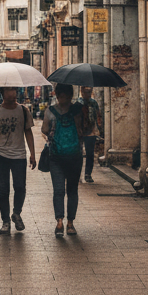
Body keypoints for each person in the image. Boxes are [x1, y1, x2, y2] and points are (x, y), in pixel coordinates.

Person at [0, 87, 36, 234]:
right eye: (9, 90)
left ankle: (16, 213)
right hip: (0, 155)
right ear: (3, 93)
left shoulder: (23, 111)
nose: (12, 93)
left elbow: (28, 132)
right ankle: (5, 221)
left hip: (19, 155)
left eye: (14, 90)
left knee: (20, 187)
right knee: (3, 189)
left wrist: (33, 154)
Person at [41, 83, 91, 237]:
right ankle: (70, 224)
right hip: (75, 155)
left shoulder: (50, 111)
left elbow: (44, 130)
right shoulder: (79, 109)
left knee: (58, 191)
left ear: (57, 95)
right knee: (72, 190)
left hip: (56, 156)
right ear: (71, 94)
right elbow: (88, 129)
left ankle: (59, 222)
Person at [73, 86, 101, 182]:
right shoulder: (78, 104)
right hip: (80, 132)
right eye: (86, 92)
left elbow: (98, 115)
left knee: (90, 153)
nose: (88, 94)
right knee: (78, 154)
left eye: (89, 92)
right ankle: (77, 174)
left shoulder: (93, 103)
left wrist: (98, 127)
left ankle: (88, 174)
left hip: (91, 132)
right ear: (82, 91)